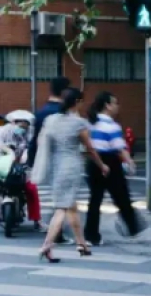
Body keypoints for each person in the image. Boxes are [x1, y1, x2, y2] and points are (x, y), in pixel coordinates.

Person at [38, 88, 109, 263]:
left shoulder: (51, 120)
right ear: (77, 102)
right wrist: (102, 165)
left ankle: (81, 244)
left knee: (70, 205)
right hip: (71, 167)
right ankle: (47, 245)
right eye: (81, 101)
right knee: (62, 208)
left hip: (56, 167)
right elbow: (90, 149)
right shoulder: (78, 123)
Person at [84, 92, 144, 246]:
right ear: (107, 105)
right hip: (109, 161)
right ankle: (133, 227)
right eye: (115, 103)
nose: (118, 106)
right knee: (122, 196)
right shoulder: (111, 125)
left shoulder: (90, 123)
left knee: (95, 200)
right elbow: (119, 147)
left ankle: (91, 235)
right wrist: (130, 161)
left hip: (93, 162)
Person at [28, 76, 73, 244]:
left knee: (58, 197)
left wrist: (31, 162)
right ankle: (57, 234)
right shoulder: (64, 113)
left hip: (45, 159)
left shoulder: (40, 113)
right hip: (62, 159)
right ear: (64, 91)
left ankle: (56, 230)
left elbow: (34, 141)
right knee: (63, 200)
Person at [0, 111, 45, 231]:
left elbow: (29, 149)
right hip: (3, 167)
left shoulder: (28, 134)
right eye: (21, 126)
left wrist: (27, 158)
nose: (23, 129)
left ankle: (37, 220)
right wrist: (8, 152)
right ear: (13, 123)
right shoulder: (3, 131)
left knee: (32, 189)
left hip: (21, 168)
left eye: (26, 127)